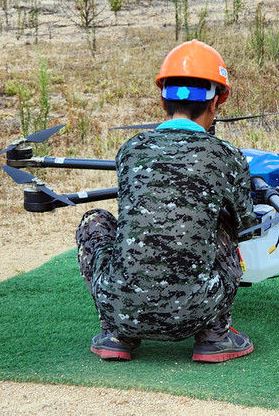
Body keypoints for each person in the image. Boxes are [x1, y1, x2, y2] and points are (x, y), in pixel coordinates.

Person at [75, 40, 257, 363]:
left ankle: (115, 333)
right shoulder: (225, 155)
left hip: (123, 308)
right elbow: (245, 219)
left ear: (163, 99)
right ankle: (215, 335)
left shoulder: (130, 150)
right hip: (196, 310)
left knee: (94, 220)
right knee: (225, 221)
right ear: (216, 101)